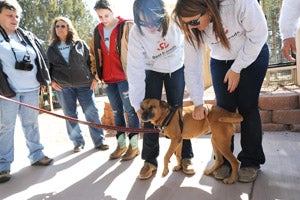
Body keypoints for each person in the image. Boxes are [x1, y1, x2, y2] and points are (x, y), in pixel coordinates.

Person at [173, 0, 269, 183]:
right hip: (220, 60)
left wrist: (237, 68)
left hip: (252, 53)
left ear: (207, 8)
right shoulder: (191, 28)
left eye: (193, 22)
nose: (191, 27)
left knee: (248, 107)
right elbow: (192, 66)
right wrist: (198, 102)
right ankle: (222, 160)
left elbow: (259, 34)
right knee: (223, 108)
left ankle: (250, 161)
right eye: (186, 24)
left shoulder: (238, 3)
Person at [127, 0, 194, 180]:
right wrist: (137, 103)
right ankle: (150, 161)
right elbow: (134, 69)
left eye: (153, 21)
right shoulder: (136, 33)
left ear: (162, 15)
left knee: (178, 113)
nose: (149, 26)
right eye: (143, 22)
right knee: (149, 115)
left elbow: (192, 50)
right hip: (152, 70)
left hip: (176, 68)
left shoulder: (176, 21)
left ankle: (185, 156)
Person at [0, 0, 53, 184]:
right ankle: (3, 166)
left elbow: (40, 57)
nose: (14, 19)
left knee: (32, 124)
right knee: (5, 127)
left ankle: (37, 155)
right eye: (9, 15)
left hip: (31, 88)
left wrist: (44, 80)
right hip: (8, 92)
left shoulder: (27, 35)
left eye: (17, 16)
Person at [46, 16, 109, 153]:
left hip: (85, 84)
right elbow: (47, 68)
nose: (60, 28)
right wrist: (51, 82)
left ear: (69, 28)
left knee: (91, 112)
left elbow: (91, 61)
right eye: (57, 26)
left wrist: (95, 78)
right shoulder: (51, 49)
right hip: (64, 87)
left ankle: (100, 141)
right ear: (54, 30)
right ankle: (78, 143)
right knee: (70, 115)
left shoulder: (80, 44)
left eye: (63, 26)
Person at [90, 0, 140, 161]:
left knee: (130, 111)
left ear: (112, 12)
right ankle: (121, 144)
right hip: (108, 79)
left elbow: (136, 50)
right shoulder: (97, 31)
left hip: (124, 77)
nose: (103, 19)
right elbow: (94, 55)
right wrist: (96, 75)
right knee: (117, 112)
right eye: (100, 16)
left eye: (106, 15)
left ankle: (134, 146)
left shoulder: (126, 26)